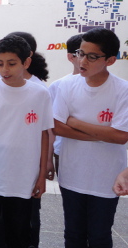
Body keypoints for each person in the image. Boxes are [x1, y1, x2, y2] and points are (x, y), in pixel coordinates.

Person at [0, 35, 53, 248]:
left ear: (26, 63)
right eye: (0, 64)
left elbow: (44, 134)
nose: (5, 69)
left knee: (18, 233)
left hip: (23, 178)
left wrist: (41, 176)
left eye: (12, 64)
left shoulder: (40, 93)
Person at [53, 27, 128, 248]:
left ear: (111, 60)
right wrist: (101, 135)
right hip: (71, 174)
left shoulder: (122, 90)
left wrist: (75, 122)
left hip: (106, 178)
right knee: (73, 235)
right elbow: (57, 126)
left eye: (92, 56)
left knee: (99, 236)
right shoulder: (66, 85)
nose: (83, 61)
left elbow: (121, 136)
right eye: (80, 53)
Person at [48, 33, 83, 177]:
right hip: (64, 152)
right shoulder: (58, 86)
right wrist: (48, 158)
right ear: (71, 57)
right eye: (82, 53)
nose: (88, 58)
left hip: (101, 153)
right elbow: (50, 126)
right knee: (70, 198)